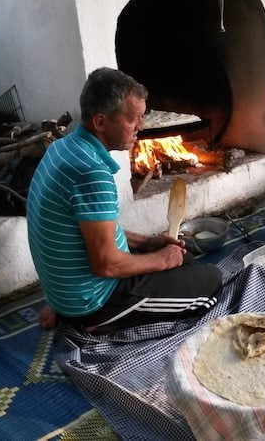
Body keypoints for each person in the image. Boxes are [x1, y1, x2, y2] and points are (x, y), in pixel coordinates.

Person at [27, 67, 222, 331]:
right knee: (211, 282)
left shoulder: (63, 148)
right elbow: (106, 264)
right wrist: (160, 260)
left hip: (70, 291)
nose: (141, 127)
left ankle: (66, 307)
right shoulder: (91, 172)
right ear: (100, 122)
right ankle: (93, 322)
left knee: (182, 257)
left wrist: (148, 242)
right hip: (96, 302)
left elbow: (87, 230)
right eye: (133, 120)